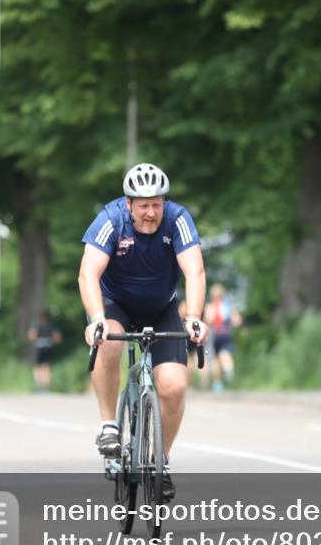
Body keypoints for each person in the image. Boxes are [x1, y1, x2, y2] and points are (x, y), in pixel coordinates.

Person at [79, 162, 207, 502]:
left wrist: (194, 316)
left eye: (157, 204)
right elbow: (88, 274)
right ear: (128, 203)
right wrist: (96, 318)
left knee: (174, 386)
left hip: (162, 306)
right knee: (109, 342)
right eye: (144, 205)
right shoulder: (110, 220)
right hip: (115, 305)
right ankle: (109, 425)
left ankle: (160, 461)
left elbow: (194, 271)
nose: (151, 212)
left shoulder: (178, 219)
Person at [204, 283, 244, 392]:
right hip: (226, 334)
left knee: (216, 359)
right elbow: (237, 321)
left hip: (214, 335)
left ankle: (217, 383)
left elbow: (208, 320)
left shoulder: (210, 306)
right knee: (225, 354)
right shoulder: (229, 306)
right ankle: (228, 368)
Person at [27, 312, 63, 392]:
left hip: (41, 348)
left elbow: (31, 336)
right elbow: (58, 338)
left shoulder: (37, 326)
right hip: (47, 347)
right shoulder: (50, 326)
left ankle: (41, 385)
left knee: (40, 367)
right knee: (45, 367)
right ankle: (43, 386)